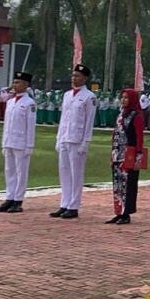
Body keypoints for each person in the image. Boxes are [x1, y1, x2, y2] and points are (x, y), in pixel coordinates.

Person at [50, 64, 97, 219]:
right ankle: (64, 203)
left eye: (77, 76)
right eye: (73, 75)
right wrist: (58, 138)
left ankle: (74, 206)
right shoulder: (67, 95)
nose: (74, 78)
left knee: (76, 174)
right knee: (64, 173)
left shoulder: (89, 97)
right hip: (65, 137)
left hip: (77, 140)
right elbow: (64, 119)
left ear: (84, 78)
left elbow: (89, 122)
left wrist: (86, 142)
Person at [0, 72, 37, 213]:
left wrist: (29, 145)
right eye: (14, 82)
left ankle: (18, 200)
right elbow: (7, 124)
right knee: (9, 171)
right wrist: (4, 142)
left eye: (18, 82)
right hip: (10, 141)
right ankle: (9, 197)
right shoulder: (10, 102)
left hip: (21, 142)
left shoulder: (29, 103)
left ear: (26, 85)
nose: (15, 85)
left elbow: (30, 126)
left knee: (20, 172)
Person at [106, 88, 145, 225]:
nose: (123, 100)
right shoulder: (121, 114)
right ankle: (118, 212)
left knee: (127, 184)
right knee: (117, 184)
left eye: (126, 98)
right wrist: (112, 154)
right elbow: (115, 134)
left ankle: (126, 213)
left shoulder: (136, 115)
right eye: (122, 97)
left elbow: (140, 137)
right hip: (118, 154)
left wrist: (138, 157)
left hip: (129, 155)